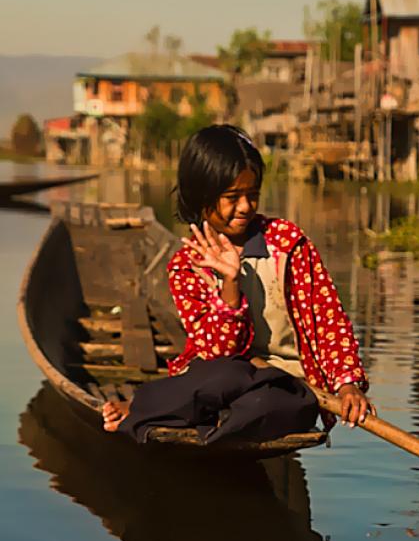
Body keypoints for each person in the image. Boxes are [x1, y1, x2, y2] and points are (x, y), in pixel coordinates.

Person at [102, 124, 374, 441]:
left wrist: (347, 384)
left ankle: (197, 422)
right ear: (202, 197)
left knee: (275, 404)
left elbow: (329, 320)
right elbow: (219, 352)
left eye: (252, 195)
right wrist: (230, 284)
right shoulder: (186, 265)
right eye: (232, 197)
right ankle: (150, 408)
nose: (245, 207)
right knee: (220, 378)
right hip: (224, 372)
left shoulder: (288, 244)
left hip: (288, 381)